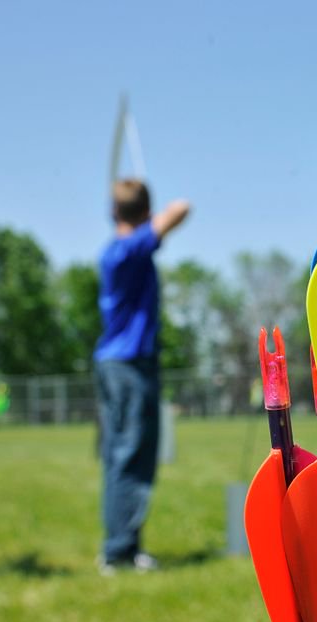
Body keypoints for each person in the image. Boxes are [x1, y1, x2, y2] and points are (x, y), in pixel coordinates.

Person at [95, 179, 190, 573]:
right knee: (129, 453)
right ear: (142, 213)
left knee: (124, 454)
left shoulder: (120, 249)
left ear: (113, 212)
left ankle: (125, 547)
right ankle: (118, 550)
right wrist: (154, 216)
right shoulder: (127, 248)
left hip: (121, 364)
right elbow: (182, 207)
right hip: (128, 365)